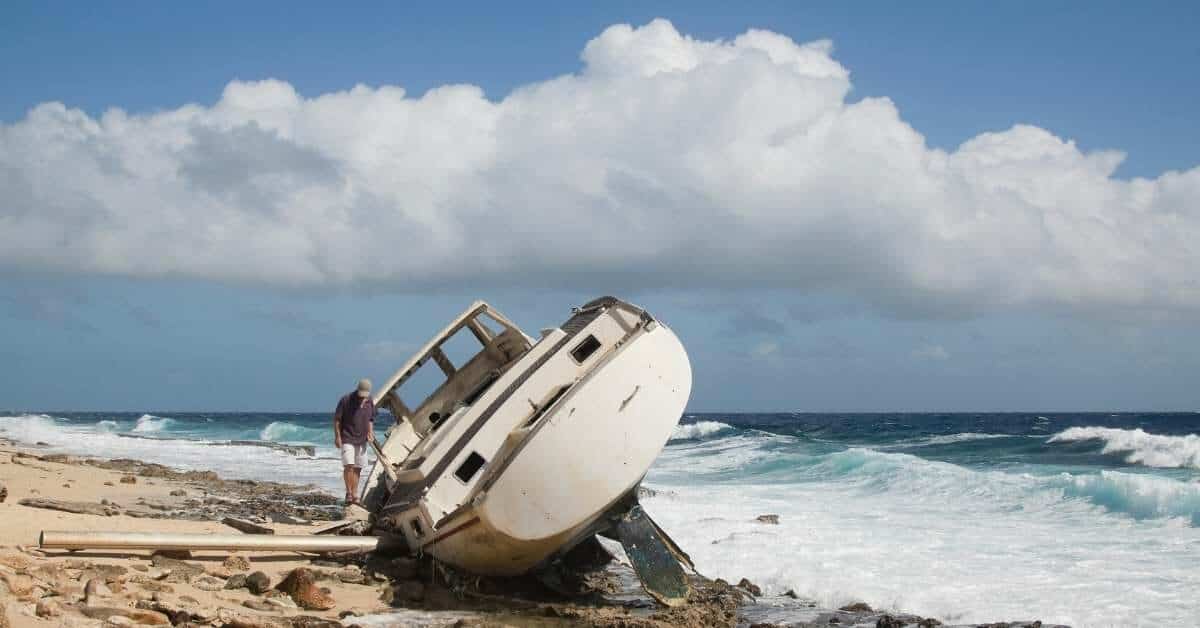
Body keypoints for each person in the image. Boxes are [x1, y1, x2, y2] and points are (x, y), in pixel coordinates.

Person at [333, 378, 376, 505]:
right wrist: (337, 437)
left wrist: (370, 432)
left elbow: (371, 419)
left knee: (358, 468)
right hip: (347, 437)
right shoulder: (346, 400)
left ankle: (355, 493)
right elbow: (337, 420)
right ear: (357, 389)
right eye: (361, 394)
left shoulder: (370, 401)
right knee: (349, 466)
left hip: (362, 440)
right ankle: (349, 493)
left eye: (365, 395)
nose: (362, 397)